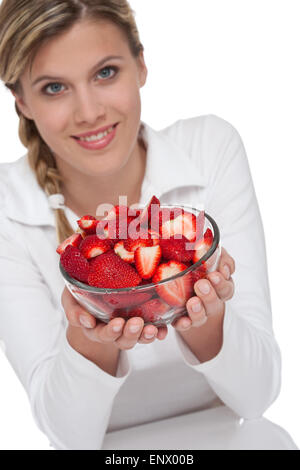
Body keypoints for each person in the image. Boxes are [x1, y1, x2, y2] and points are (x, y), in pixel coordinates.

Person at [0, 0, 282, 450]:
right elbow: (67, 436)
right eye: (54, 87)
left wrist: (200, 316)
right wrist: (90, 338)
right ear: (21, 102)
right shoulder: (7, 208)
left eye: (106, 73)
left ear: (141, 64)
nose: (88, 111)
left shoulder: (210, 149)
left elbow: (258, 396)